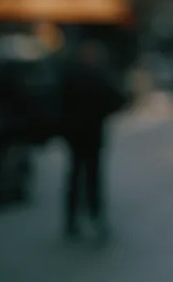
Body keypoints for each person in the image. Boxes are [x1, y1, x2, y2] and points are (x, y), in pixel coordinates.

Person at [61, 40, 127, 241]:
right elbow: (117, 99)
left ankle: (80, 219)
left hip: (82, 133)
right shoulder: (94, 76)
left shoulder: (75, 75)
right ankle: (88, 217)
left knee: (80, 176)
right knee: (87, 177)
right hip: (88, 133)